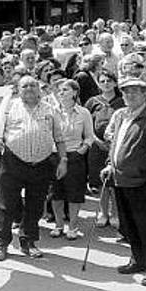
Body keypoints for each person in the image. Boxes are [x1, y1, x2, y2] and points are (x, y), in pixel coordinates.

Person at [101, 77, 146, 286]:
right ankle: (138, 260)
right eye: (126, 92)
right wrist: (110, 165)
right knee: (130, 226)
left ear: (144, 94)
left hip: (143, 184)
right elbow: (115, 144)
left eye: (134, 92)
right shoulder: (122, 115)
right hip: (121, 181)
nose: (129, 96)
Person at [0, 75, 68, 261]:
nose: (29, 88)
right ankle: (2, 244)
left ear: (39, 89)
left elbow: (59, 138)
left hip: (41, 164)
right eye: (24, 85)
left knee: (35, 206)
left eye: (33, 85)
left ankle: (28, 242)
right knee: (6, 205)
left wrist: (63, 160)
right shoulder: (8, 108)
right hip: (13, 163)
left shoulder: (50, 109)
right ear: (18, 89)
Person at [49, 80, 94, 240]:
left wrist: (83, 149)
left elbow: (90, 136)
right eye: (59, 90)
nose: (61, 93)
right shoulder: (51, 111)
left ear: (75, 92)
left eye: (65, 90)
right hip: (55, 155)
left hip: (75, 156)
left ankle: (73, 226)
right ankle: (59, 224)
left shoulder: (83, 112)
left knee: (74, 193)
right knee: (56, 192)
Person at [85, 70, 124, 227]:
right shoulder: (92, 101)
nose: (106, 84)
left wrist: (113, 142)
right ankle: (103, 212)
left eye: (109, 80)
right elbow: (87, 125)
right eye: (102, 81)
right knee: (100, 181)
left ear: (115, 83)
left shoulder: (122, 101)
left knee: (114, 181)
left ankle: (115, 213)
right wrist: (97, 141)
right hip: (96, 147)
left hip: (117, 146)